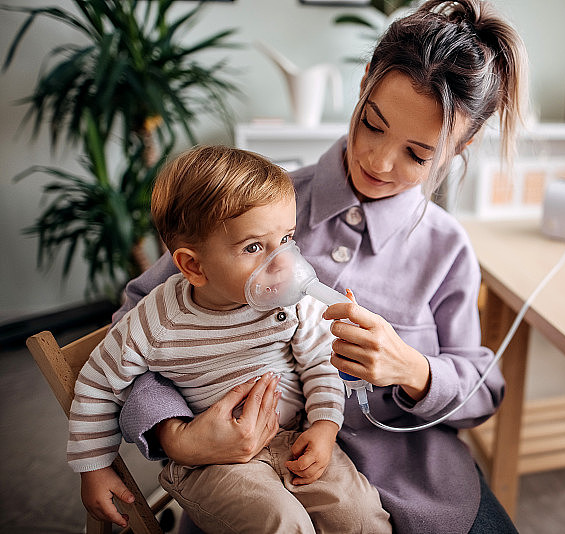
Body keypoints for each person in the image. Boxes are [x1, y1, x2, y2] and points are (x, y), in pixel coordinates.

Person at [113, 1, 528, 532]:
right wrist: (177, 435)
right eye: (372, 125)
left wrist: (412, 369)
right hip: (248, 476)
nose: (379, 161)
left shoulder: (447, 248)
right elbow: (132, 323)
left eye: (417, 155)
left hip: (408, 475)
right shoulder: (257, 207)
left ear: (460, 146)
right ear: (363, 84)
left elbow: (483, 391)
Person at [69, 145, 390, 533]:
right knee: (281, 522)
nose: (283, 263)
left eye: (286, 239)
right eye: (254, 247)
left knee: (362, 518)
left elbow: (320, 362)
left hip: (294, 439)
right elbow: (97, 385)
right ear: (194, 265)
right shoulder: (156, 321)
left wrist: (324, 425)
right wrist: (95, 468)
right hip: (212, 462)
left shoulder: (292, 305)